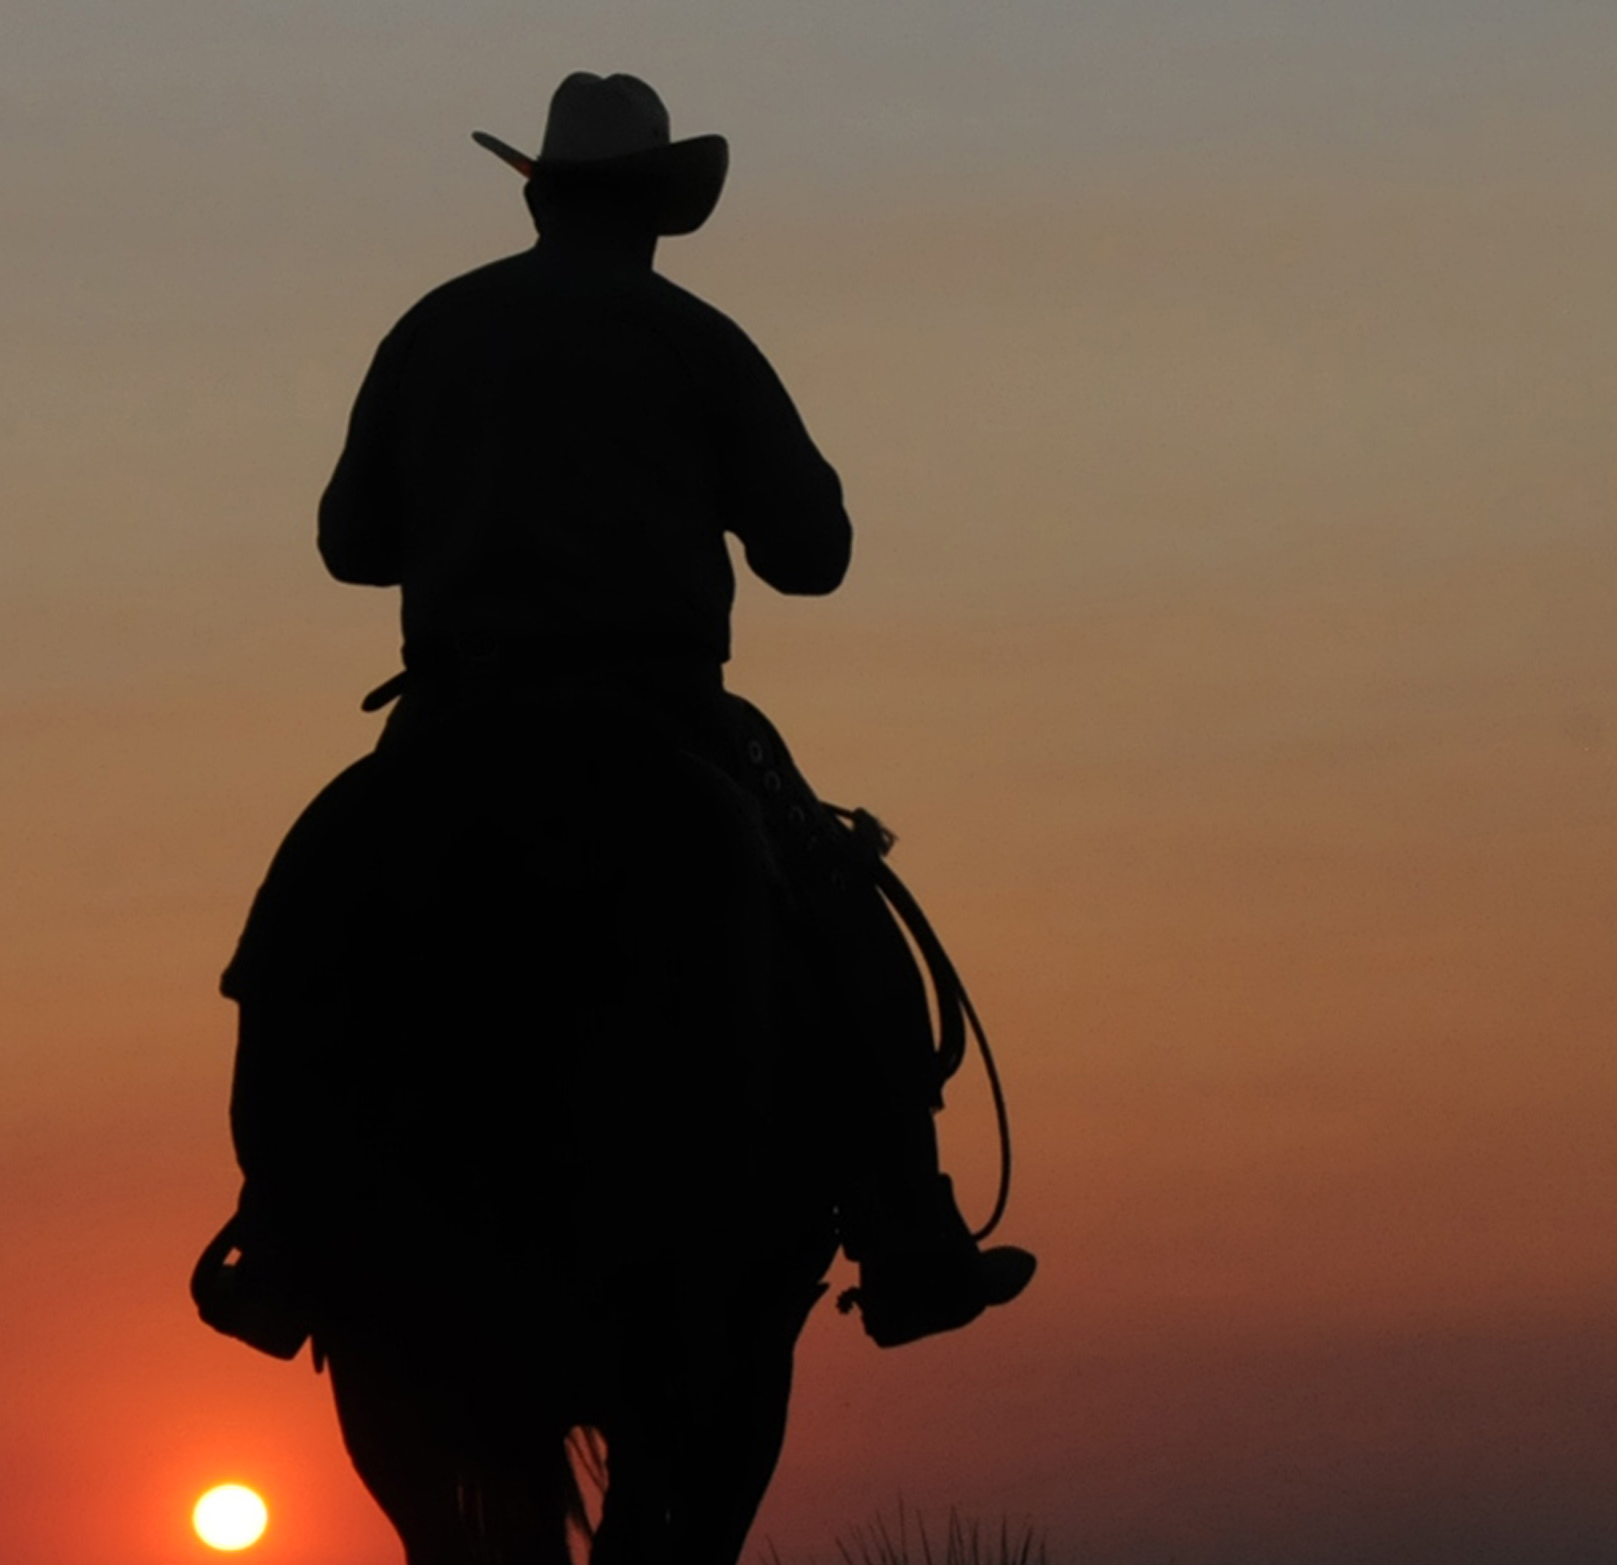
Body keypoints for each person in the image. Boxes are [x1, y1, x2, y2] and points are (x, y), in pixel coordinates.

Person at [204, 71, 1029, 1356]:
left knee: (307, 921)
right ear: (654, 209)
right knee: (836, 904)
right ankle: (906, 1226)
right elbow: (813, 553)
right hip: (664, 708)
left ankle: (284, 1231)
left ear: (537, 197)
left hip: (455, 711)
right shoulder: (702, 340)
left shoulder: (435, 328)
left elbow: (349, 545)